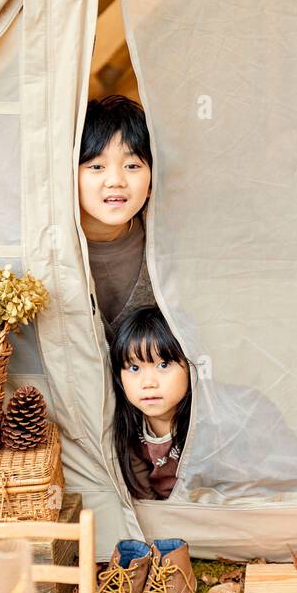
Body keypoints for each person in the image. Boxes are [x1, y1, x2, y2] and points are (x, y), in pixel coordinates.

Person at [78, 95, 154, 342]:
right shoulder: (48, 250)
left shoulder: (166, 243)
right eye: (96, 166)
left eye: (132, 166)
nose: (116, 181)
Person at [110, 304, 190, 501]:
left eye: (163, 365)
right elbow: (142, 493)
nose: (148, 383)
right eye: (134, 368)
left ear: (190, 366)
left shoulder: (206, 421)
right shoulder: (129, 428)